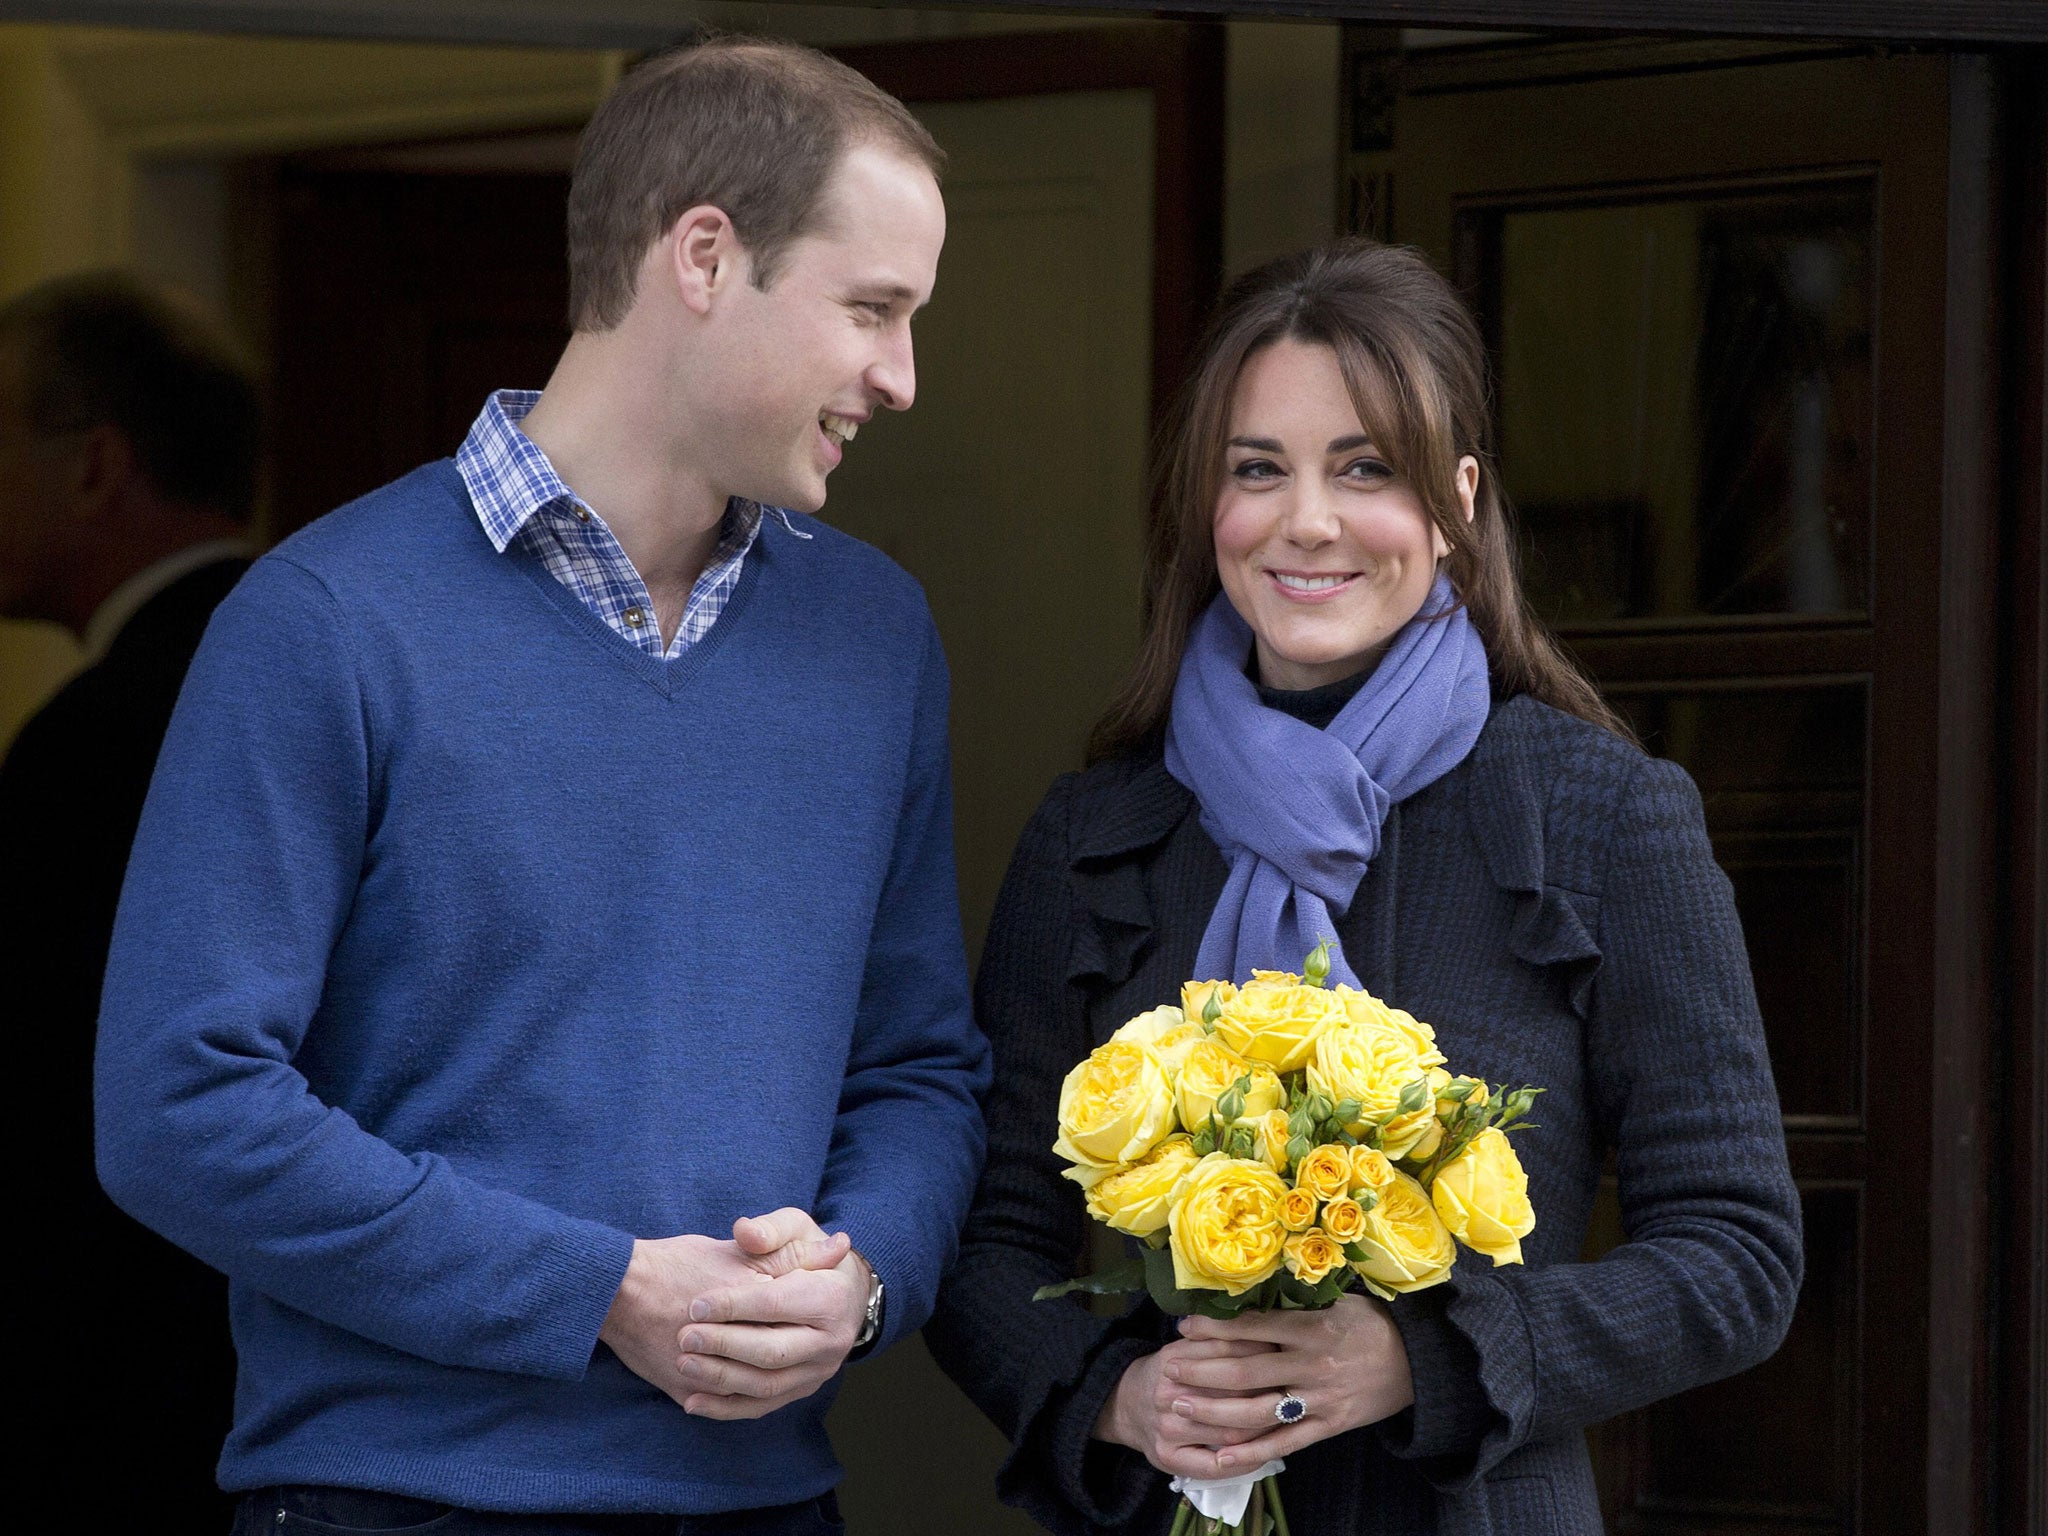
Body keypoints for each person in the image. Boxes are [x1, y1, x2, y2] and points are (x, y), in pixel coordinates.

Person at [93, 37, 989, 1536]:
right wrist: (598, 1291)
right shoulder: (325, 623)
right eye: (872, 310)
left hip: (767, 1505)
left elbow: (915, 1067)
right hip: (397, 1502)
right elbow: (180, 1108)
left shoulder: (875, 635)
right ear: (704, 254)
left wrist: (867, 1274)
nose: (900, 378)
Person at [925, 239, 1802, 1535]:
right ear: (1201, 504)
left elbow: (1738, 1256)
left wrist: (1420, 1360)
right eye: (1257, 470)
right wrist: (1118, 1394)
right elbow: (985, 1238)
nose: (1310, 521)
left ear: (1454, 498)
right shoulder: (1096, 835)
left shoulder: (1604, 816)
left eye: (1365, 468)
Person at [1, 271, 262, 1534]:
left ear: (96, 464)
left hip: (134, 1383)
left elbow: (51, 1112)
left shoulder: (96, 742)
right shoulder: (327, 659)